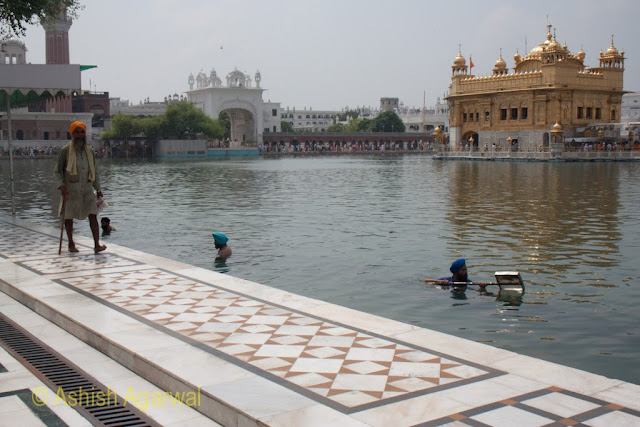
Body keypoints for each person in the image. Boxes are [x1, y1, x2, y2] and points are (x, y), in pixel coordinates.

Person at [54, 121, 106, 253]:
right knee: (68, 217)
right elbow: (57, 171)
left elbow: (95, 171)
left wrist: (98, 189)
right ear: (72, 134)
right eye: (77, 132)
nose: (79, 135)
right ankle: (71, 243)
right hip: (71, 189)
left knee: (93, 215)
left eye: (82, 132)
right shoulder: (65, 151)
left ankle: (96, 245)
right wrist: (61, 186)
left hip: (87, 189)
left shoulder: (89, 152)